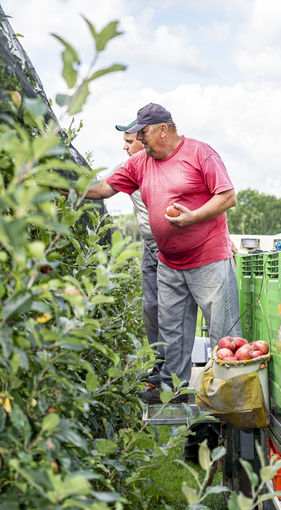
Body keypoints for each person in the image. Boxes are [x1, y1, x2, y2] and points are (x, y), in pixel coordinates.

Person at [83, 103, 242, 403]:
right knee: (172, 332)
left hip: (209, 260)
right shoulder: (140, 163)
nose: (139, 140)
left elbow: (227, 196)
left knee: (223, 332)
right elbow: (104, 189)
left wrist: (192, 217)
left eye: (143, 133)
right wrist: (62, 185)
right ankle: (174, 392)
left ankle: (229, 398)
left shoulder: (199, 153)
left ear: (163, 130)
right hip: (169, 263)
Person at [115, 119, 164, 375]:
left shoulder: (160, 166)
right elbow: (101, 186)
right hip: (149, 248)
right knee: (150, 306)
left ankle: (172, 372)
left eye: (129, 142)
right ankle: (159, 365)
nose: (125, 147)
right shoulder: (129, 168)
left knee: (171, 309)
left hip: (170, 248)